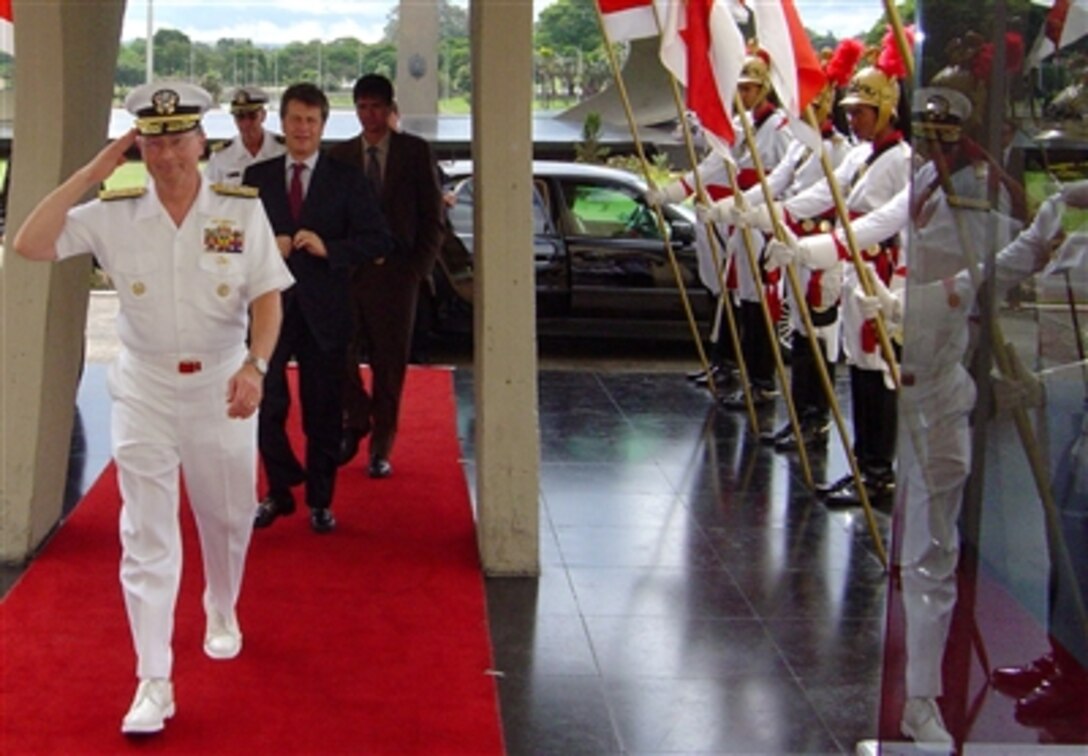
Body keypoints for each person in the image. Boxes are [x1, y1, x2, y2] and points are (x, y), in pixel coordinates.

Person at [12, 82, 294, 735]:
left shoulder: (239, 211)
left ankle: (221, 604)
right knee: (145, 532)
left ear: (203, 142)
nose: (167, 153)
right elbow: (28, 243)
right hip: (143, 386)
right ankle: (153, 680)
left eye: (179, 138)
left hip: (222, 380)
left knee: (225, 518)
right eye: (154, 139)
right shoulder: (114, 211)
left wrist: (257, 365)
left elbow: (268, 296)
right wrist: (91, 171)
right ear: (138, 143)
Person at [739, 38, 913, 505]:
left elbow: (891, 223)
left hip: (879, 269)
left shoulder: (902, 161)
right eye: (850, 111)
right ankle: (857, 460)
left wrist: (820, 249)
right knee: (856, 365)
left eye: (861, 112)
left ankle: (878, 472)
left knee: (876, 369)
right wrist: (774, 217)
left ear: (887, 110)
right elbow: (824, 197)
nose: (852, 119)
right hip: (848, 260)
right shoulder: (858, 156)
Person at [244, 82, 393, 533]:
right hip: (271, 310)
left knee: (322, 410)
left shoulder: (346, 178)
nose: (302, 129)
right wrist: (271, 247)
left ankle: (321, 501)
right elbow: (234, 244)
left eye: (311, 120)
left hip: (326, 312)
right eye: (294, 119)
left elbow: (379, 239)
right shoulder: (259, 178)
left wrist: (332, 248)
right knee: (265, 405)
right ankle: (278, 489)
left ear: (324, 125)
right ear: (282, 123)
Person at [330, 73, 445, 479]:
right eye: (362, 107)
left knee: (389, 365)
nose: (369, 115)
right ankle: (357, 416)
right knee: (339, 354)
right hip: (351, 276)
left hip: (397, 278)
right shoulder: (342, 156)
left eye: (376, 107)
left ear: (390, 108)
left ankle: (382, 446)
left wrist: (416, 271)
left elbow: (434, 217)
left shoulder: (414, 152)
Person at [203, 85, 285, 186]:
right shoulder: (220, 157)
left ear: (263, 116)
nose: (246, 123)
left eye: (252, 116)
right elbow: (208, 193)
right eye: (240, 117)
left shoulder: (283, 150)